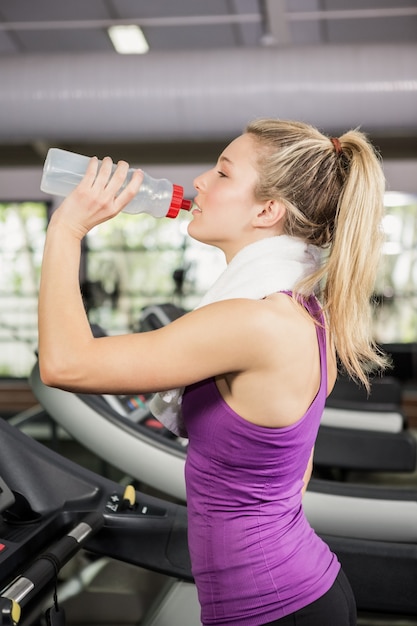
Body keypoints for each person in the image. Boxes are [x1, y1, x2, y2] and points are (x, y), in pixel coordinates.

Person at [38, 118, 387, 626]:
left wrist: (67, 227)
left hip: (275, 609)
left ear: (268, 210)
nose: (200, 181)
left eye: (223, 173)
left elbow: (64, 363)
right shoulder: (302, 311)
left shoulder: (254, 322)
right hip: (299, 590)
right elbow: (296, 470)